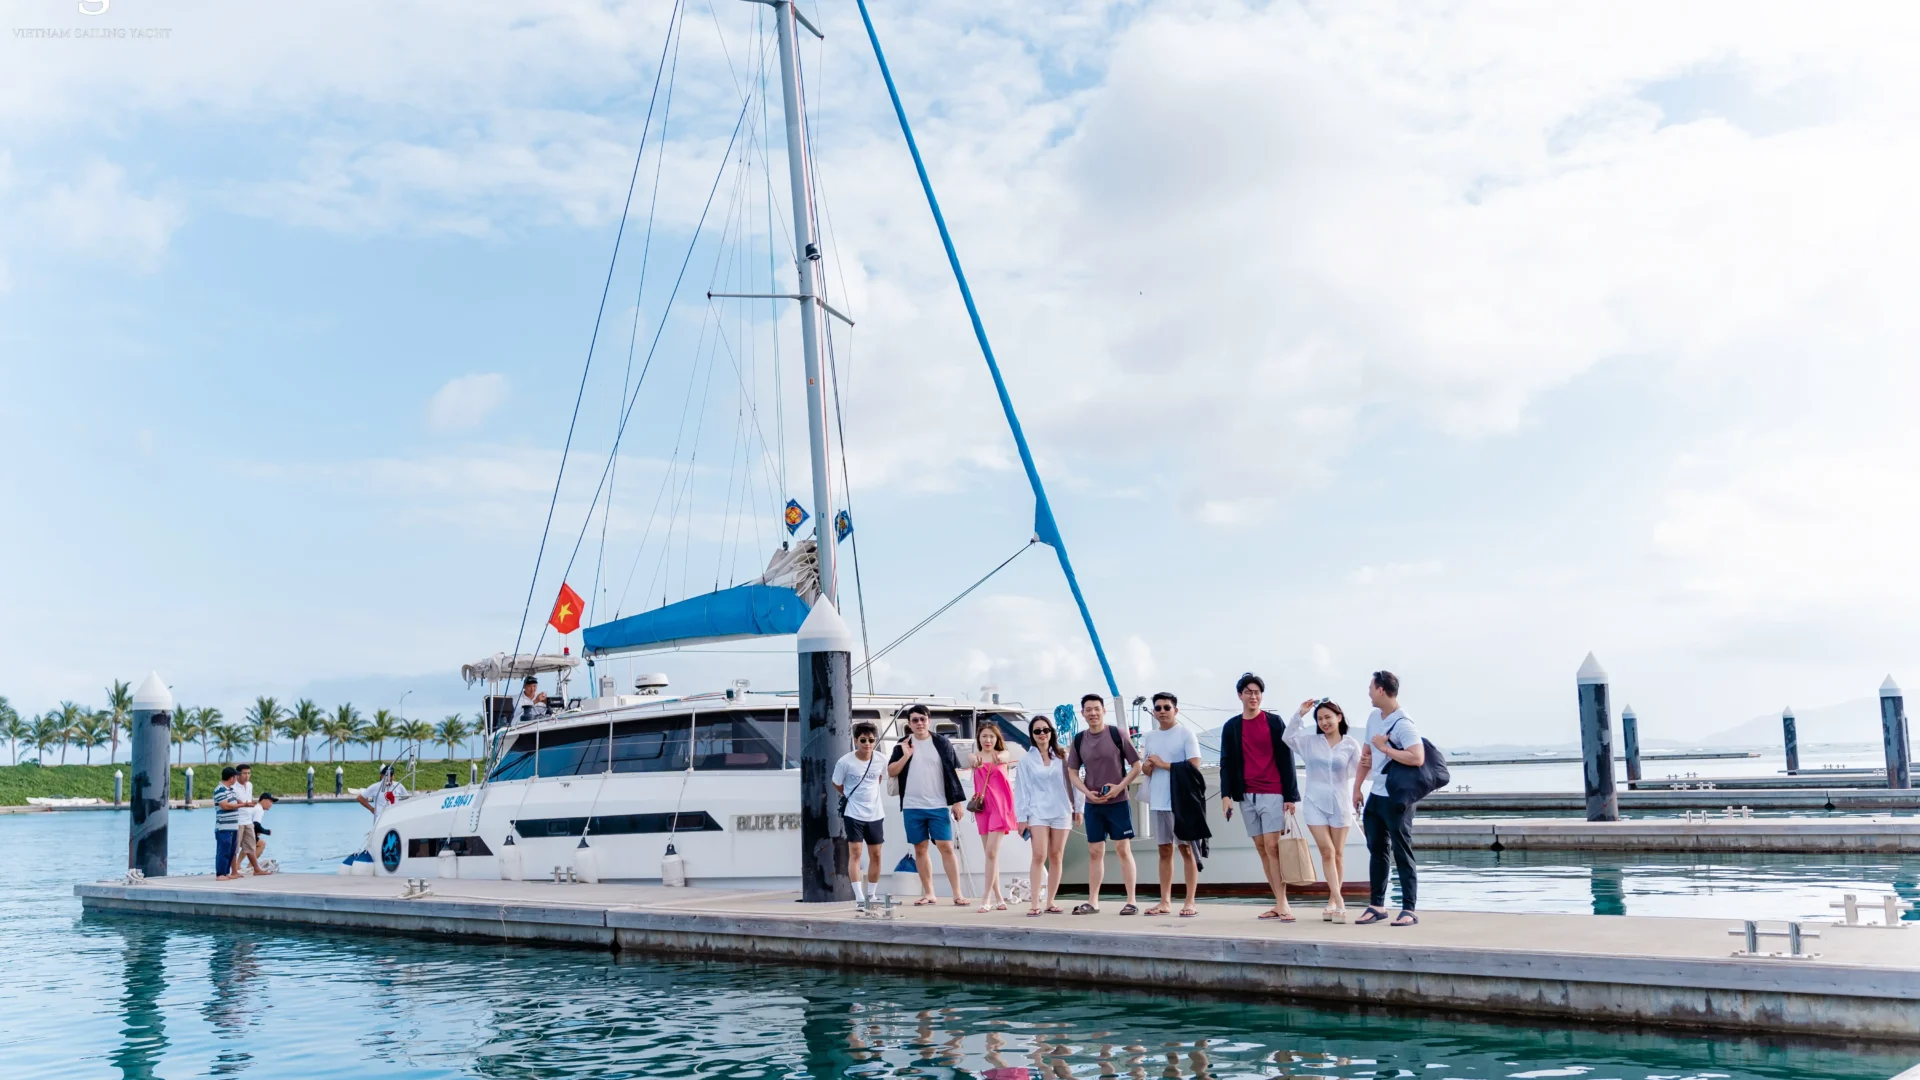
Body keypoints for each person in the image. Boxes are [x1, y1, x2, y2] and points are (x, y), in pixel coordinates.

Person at [1218, 673, 1303, 921]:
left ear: (1261, 696)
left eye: (1257, 692)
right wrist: (1226, 796)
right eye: (1248, 692)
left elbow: (1287, 760)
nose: (1253, 696)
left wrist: (1290, 796)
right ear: (1240, 695)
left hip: (1273, 792)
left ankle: (1283, 902)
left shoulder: (1275, 722)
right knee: (1261, 848)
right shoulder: (1232, 726)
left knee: (1272, 847)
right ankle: (1278, 901)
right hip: (1246, 795)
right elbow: (1226, 763)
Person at [1353, 670, 1425, 927]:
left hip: (1397, 798)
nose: (1369, 693)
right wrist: (1357, 787)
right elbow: (1365, 754)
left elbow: (1417, 757)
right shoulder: (1374, 717)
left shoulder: (1404, 723)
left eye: (1371, 688)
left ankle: (1409, 909)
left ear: (1381, 690)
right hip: (1376, 796)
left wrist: (1385, 748)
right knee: (1377, 851)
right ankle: (1377, 905)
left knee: (1402, 851)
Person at [1065, 693, 1142, 915]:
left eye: (1096, 708)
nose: (1093, 713)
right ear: (1082, 714)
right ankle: (1093, 902)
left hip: (1118, 801)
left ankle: (1131, 901)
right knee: (1094, 851)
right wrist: (1086, 791)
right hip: (1093, 804)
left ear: (1103, 710)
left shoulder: (1117, 734)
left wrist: (1120, 787)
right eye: (1088, 709)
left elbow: (1136, 765)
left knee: (1122, 849)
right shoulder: (1079, 740)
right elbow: (1072, 772)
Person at [1284, 698, 1361, 920]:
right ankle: (1340, 901)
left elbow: (1356, 772)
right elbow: (1288, 737)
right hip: (1314, 803)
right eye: (1320, 719)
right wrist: (1300, 714)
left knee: (1337, 854)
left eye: (1328, 717)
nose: (1324, 722)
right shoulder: (1310, 742)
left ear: (1339, 717)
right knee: (1326, 851)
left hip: (1340, 802)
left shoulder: (1350, 744)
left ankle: (1331, 901)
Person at [885, 705, 968, 906]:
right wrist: (906, 755)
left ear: (929, 720)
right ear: (909, 724)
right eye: (915, 720)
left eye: (922, 719)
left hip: (938, 804)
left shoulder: (942, 743)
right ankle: (929, 893)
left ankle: (957, 894)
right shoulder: (902, 744)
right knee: (920, 849)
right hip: (912, 806)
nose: (919, 723)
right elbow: (891, 771)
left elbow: (952, 772)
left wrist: (956, 802)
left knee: (946, 847)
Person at [1140, 692, 1203, 917]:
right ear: (1154, 712)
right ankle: (1164, 901)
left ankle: (1190, 901)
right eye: (1158, 708)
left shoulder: (1186, 733)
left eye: (1167, 707)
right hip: (1158, 801)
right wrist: (1148, 766)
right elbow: (1146, 769)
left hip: (1180, 801)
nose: (1162, 711)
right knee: (1164, 851)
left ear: (1176, 710)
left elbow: (1194, 766)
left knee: (1186, 849)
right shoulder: (1150, 737)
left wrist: (1164, 764)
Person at [1014, 713, 1082, 916]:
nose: (1042, 734)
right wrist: (1021, 818)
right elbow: (1021, 789)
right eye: (1037, 731)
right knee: (1039, 855)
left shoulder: (1063, 756)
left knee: (1056, 856)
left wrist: (1079, 808)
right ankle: (1035, 903)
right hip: (1037, 812)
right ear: (1032, 734)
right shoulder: (1026, 760)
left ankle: (1051, 901)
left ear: (1051, 732)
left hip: (1061, 810)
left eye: (1046, 730)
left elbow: (1075, 782)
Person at [832, 721, 886, 902]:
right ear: (856, 741)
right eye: (863, 740)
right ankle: (859, 897)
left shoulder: (881, 759)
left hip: (875, 813)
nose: (867, 744)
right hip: (853, 813)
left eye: (871, 740)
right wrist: (850, 795)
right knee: (855, 853)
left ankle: (872, 894)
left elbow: (882, 777)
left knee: (876, 854)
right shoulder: (845, 762)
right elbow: (837, 784)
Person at [969, 721, 1018, 912]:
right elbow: (971, 760)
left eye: (991, 736)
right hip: (983, 807)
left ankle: (986, 897)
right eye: (984, 736)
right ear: (979, 739)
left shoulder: (1002, 755)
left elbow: (1006, 755)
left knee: (991, 853)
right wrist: (975, 761)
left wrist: (1001, 756)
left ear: (997, 739)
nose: (988, 740)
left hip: (1000, 807)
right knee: (991, 856)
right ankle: (999, 897)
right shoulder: (975, 756)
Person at [211, 766, 247, 880]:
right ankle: (220, 874)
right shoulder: (219, 789)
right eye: (236, 776)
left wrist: (244, 803)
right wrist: (242, 805)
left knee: (231, 850)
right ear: (231, 778)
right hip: (223, 827)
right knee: (223, 850)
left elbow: (236, 802)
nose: (237, 778)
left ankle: (226, 873)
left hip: (233, 826)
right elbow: (225, 806)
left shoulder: (231, 790)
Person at [232, 763, 262, 876]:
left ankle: (257, 869)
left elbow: (248, 800)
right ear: (238, 774)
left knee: (250, 846)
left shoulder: (249, 785)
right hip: (237, 820)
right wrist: (244, 804)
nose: (247, 776)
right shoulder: (233, 786)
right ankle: (234, 871)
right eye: (244, 773)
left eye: (249, 773)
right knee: (235, 848)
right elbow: (235, 802)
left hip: (248, 820)